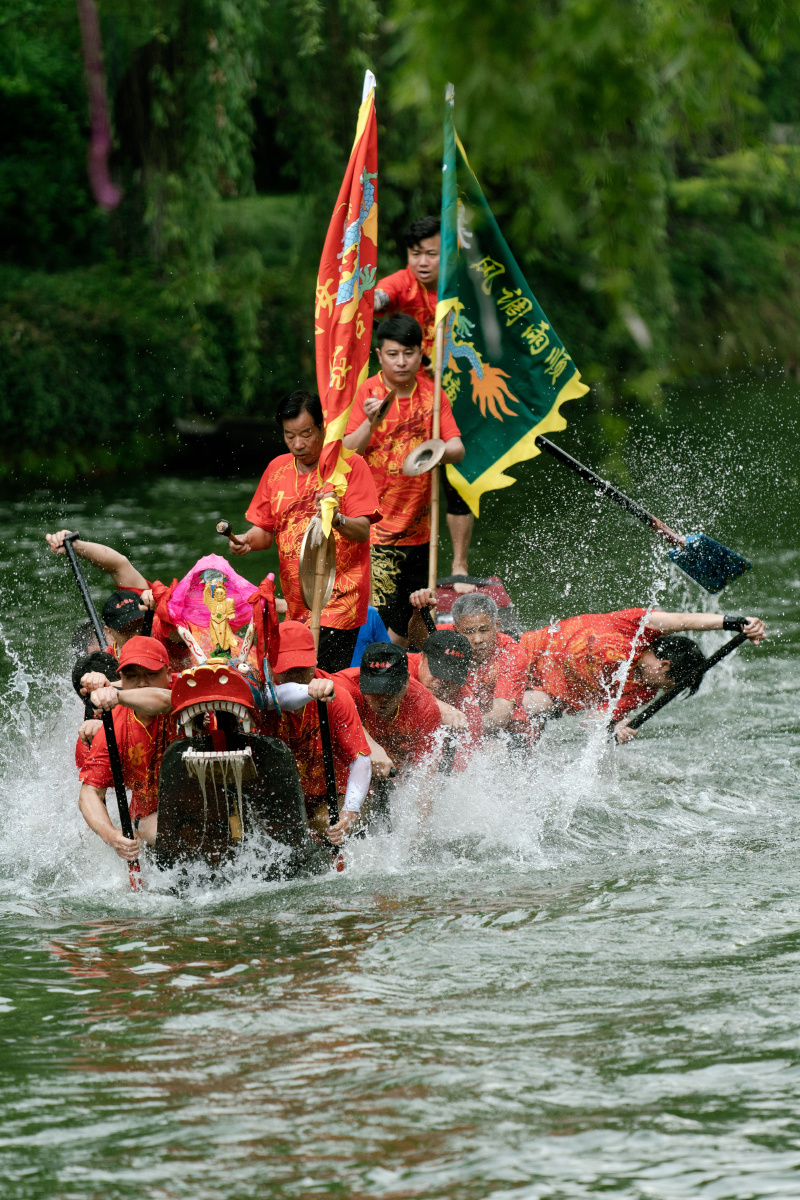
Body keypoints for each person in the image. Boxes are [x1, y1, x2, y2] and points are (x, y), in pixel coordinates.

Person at [228, 390, 381, 673]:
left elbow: (362, 531)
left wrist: (336, 519)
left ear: (323, 427)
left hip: (339, 599)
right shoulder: (276, 469)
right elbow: (265, 531)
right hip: (297, 603)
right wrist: (247, 539)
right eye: (289, 436)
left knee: (321, 679)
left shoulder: (349, 465)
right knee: (300, 682)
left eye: (306, 434)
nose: (298, 444)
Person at [343, 314, 464, 645]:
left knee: (420, 615)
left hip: (422, 531)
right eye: (392, 354)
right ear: (379, 355)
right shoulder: (367, 391)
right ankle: (380, 678)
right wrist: (370, 421)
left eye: (408, 353)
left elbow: (457, 447)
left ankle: (417, 683)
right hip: (377, 530)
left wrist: (436, 452)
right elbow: (347, 451)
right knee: (382, 622)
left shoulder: (432, 395)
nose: (401, 362)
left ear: (419, 353)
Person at [374, 216, 475, 578]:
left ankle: (459, 566)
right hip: (410, 397)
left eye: (431, 254)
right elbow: (380, 298)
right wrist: (369, 298)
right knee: (397, 474)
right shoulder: (403, 283)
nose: (422, 262)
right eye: (415, 253)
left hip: (455, 397)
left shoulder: (460, 287)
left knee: (459, 479)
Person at [519, 608, 767, 742]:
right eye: (669, 685)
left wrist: (614, 730)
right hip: (523, 651)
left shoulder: (642, 691)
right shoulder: (636, 628)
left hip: (540, 699)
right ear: (664, 666)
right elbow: (683, 620)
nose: (662, 691)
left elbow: (592, 720)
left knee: (538, 712)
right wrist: (737, 622)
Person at [264, 621, 372, 846]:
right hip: (281, 799)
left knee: (328, 822)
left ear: (314, 662)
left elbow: (360, 760)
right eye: (288, 670)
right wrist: (308, 691)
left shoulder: (337, 696)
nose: (296, 676)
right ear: (270, 666)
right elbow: (279, 696)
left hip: (332, 794)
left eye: (302, 669)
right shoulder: (259, 691)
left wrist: (350, 812)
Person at [78, 636, 175, 862]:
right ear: (121, 677)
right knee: (157, 829)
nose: (142, 683)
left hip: (201, 806)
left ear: (169, 674)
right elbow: (89, 794)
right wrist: (112, 836)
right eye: (132, 676)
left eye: (151, 674)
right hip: (150, 821)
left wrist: (117, 693)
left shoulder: (184, 689)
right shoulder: (114, 725)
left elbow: (166, 701)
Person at [415, 590, 530, 741]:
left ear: (497, 625)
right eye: (469, 632)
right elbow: (418, 640)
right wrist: (417, 613)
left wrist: (461, 725)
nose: (477, 639)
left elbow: (500, 715)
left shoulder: (512, 655)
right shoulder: (447, 637)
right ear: (456, 630)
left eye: (484, 630)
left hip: (503, 730)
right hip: (453, 719)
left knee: (493, 750)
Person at [334, 643, 442, 784]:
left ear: (406, 681)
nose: (382, 699)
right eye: (374, 690)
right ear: (362, 679)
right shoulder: (344, 686)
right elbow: (324, 702)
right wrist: (369, 745)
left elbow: (426, 776)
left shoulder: (424, 706)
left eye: (390, 691)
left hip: (397, 775)